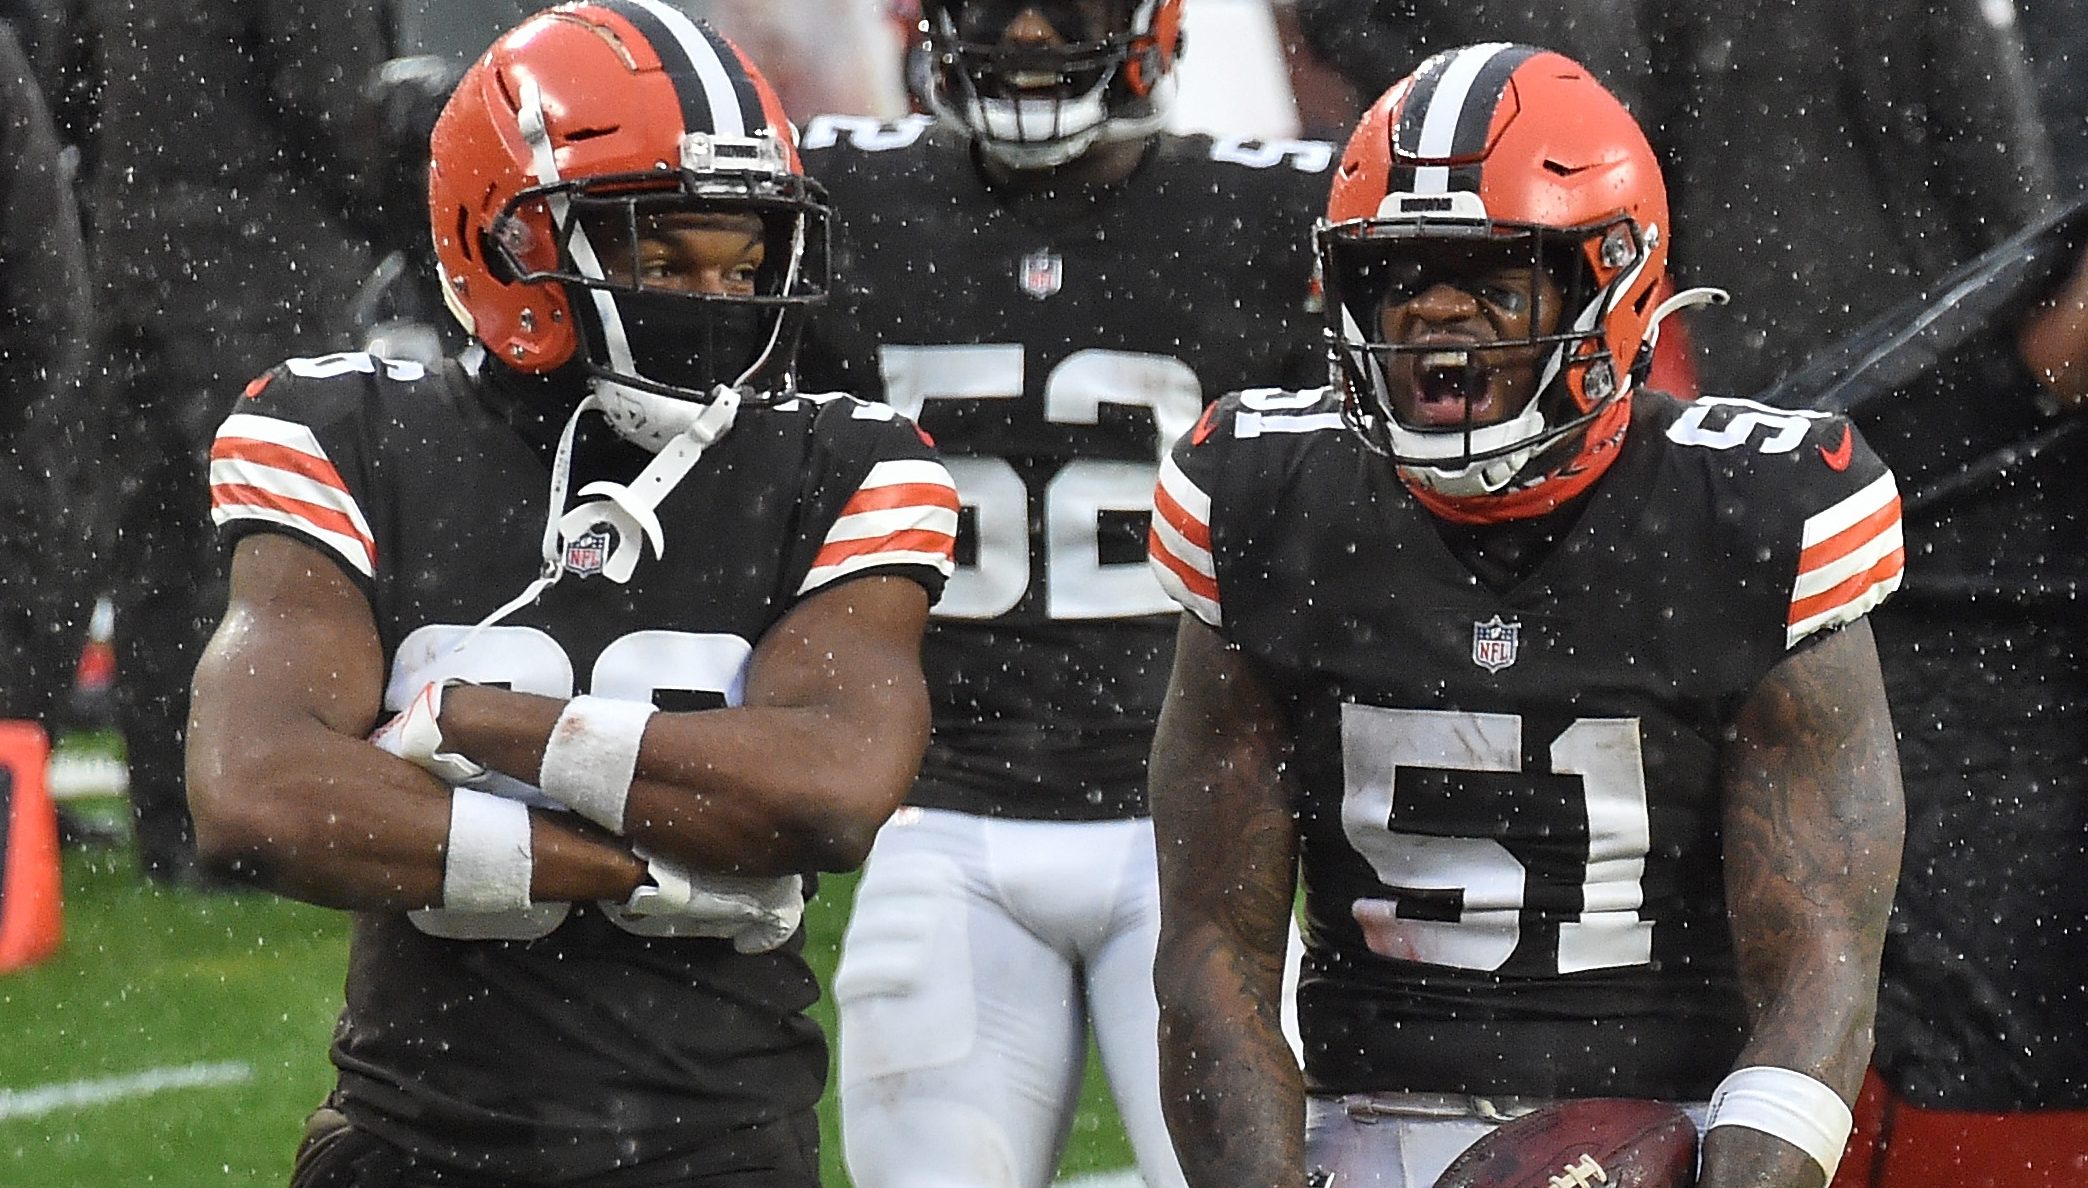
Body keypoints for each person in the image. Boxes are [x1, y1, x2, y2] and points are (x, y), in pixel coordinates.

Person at [184, 4, 958, 1184]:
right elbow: (258, 795)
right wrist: (627, 863)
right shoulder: (353, 432)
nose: (720, 301)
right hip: (417, 1140)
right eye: (663, 256)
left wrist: (479, 724)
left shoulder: (842, 461)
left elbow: (834, 790)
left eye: (746, 259)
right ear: (501, 243)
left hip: (720, 1145)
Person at [1146, 45, 1907, 1188]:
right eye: (1400, 281)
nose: (1435, 322)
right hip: (1366, 1119)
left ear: (1612, 285)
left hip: (1677, 1125)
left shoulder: (1756, 514)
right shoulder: (1269, 498)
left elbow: (1823, 966)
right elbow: (1212, 946)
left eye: (1493, 281)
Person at [793, 2, 1330, 1185]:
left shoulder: (1273, 215)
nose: (1029, 31)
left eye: (1070, 0)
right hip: (943, 813)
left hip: (1195, 826)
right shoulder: (836, 206)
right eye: (992, 0)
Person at [74, 0, 397, 885]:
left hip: (132, 265)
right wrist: (399, 207)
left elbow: (70, 84)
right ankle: (257, 822)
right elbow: (333, 102)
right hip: (260, 272)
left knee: (158, 560)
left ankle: (172, 826)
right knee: (274, 562)